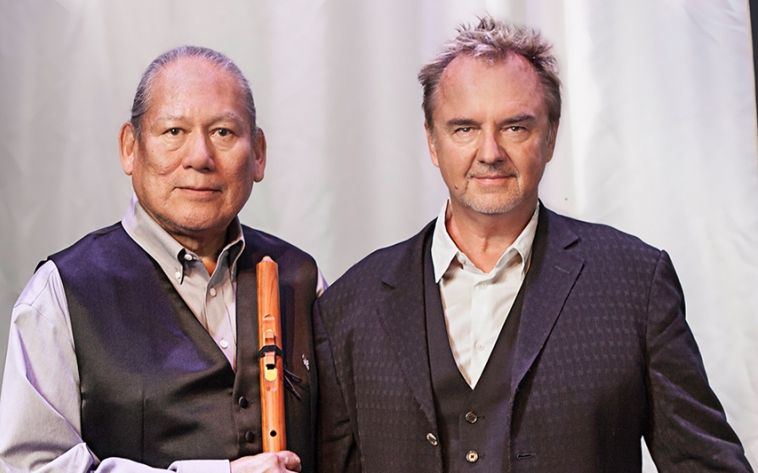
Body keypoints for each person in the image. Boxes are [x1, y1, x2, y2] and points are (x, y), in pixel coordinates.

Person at [314, 16, 752, 473]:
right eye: (464, 129)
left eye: (515, 128)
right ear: (432, 141)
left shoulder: (635, 284)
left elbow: (707, 464)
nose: (489, 153)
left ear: (551, 136)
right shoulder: (348, 307)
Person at [0, 46, 323, 473]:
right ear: (130, 148)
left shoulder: (301, 279)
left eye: (223, 132)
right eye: (173, 131)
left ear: (258, 153)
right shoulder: (62, 293)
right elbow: (33, 468)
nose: (199, 157)